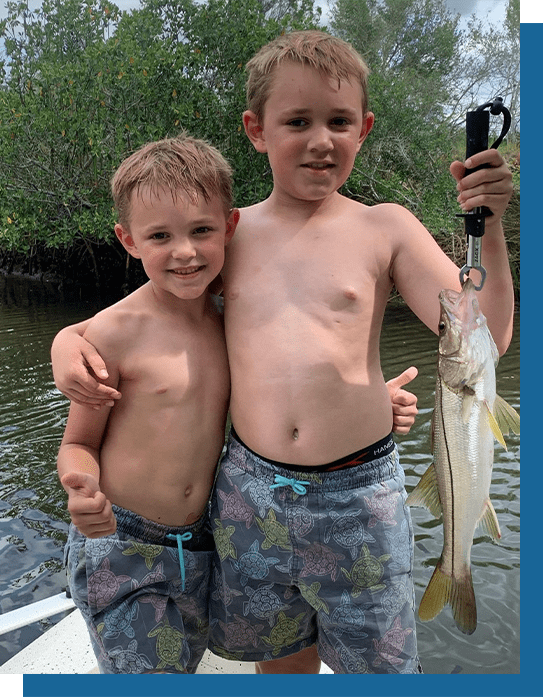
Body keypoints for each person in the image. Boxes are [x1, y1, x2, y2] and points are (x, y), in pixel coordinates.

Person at [51, 30, 514, 674]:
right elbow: (148, 321)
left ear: (364, 129)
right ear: (256, 129)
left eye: (339, 121)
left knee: (378, 664)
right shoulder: (226, 235)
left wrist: (488, 227)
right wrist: (66, 339)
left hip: (361, 492)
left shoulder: (387, 228)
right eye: (297, 121)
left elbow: (484, 336)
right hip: (250, 495)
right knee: (282, 653)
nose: (320, 139)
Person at [57, 134, 238, 674]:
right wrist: (78, 487)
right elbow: (78, 443)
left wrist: (376, 399)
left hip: (202, 543)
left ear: (228, 227)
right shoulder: (115, 331)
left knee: (183, 665)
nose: (184, 251)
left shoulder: (234, 317)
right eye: (160, 235)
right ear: (129, 239)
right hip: (123, 542)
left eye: (201, 230)